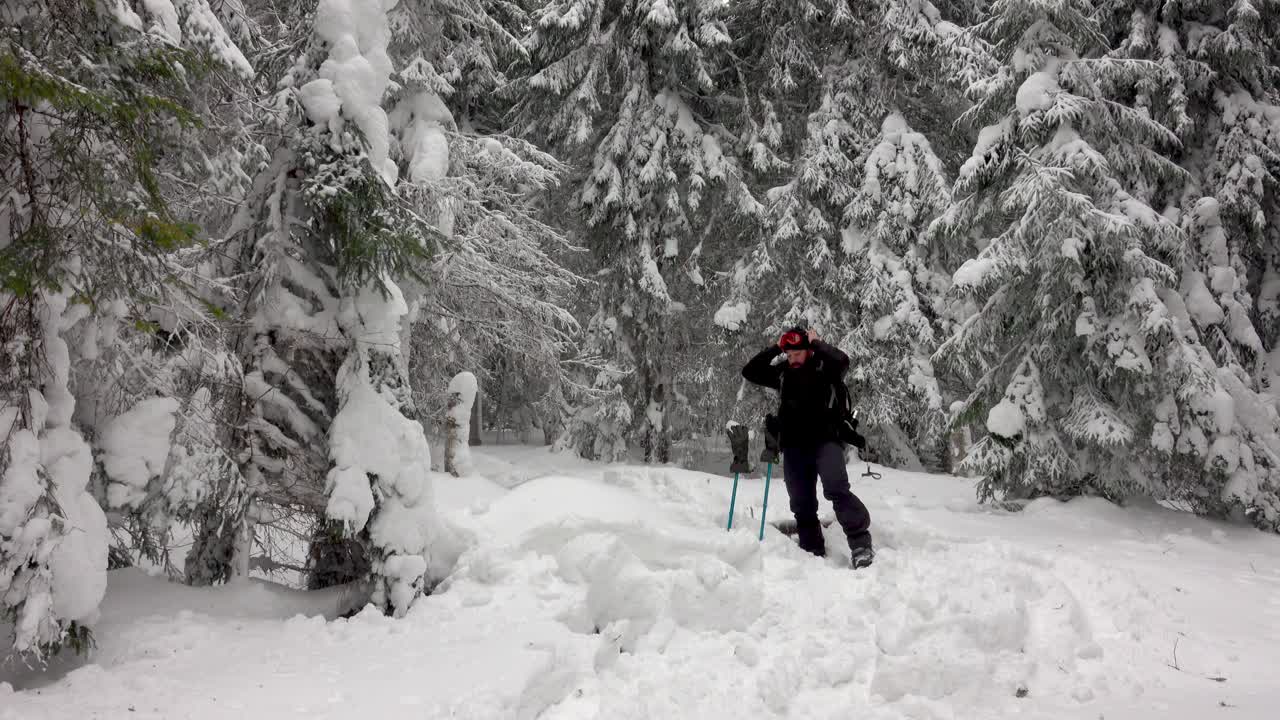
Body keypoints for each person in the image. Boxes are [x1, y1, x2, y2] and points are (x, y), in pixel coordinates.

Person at [741, 327, 875, 569]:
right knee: (801, 502)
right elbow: (750, 371)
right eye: (789, 355)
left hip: (826, 440)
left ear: (808, 351)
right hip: (794, 445)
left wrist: (818, 344)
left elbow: (843, 361)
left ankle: (861, 544)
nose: (792, 359)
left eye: (797, 354)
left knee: (836, 489)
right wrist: (776, 348)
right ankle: (812, 550)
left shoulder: (824, 367)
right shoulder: (783, 373)